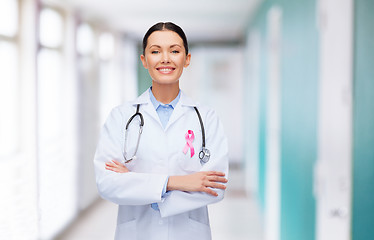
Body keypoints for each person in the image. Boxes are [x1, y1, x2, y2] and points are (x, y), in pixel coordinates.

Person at [94, 22, 229, 240]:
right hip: (137, 233)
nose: (165, 58)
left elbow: (216, 187)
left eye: (174, 51)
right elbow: (107, 183)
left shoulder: (206, 118)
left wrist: (136, 182)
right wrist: (177, 182)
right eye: (155, 51)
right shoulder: (121, 117)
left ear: (187, 59)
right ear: (144, 60)